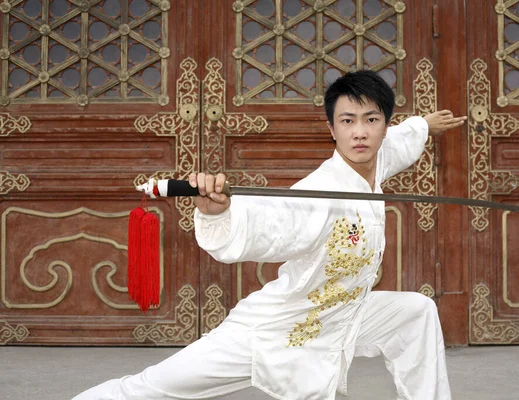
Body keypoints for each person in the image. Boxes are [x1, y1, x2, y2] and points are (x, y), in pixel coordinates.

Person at [74, 70, 465, 400]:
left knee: (415, 311)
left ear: (383, 124)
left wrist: (423, 125)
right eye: (347, 121)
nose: (359, 132)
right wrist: (219, 212)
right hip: (278, 327)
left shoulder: (377, 158)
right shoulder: (315, 197)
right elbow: (270, 224)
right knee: (155, 387)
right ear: (331, 128)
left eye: (371, 120)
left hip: (345, 313)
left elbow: (398, 142)